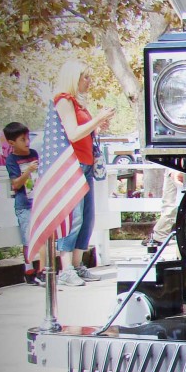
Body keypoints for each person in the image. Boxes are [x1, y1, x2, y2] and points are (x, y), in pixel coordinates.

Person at [51, 59, 115, 287]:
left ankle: (77, 265)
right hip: (73, 166)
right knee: (74, 217)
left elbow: (84, 132)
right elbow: (73, 133)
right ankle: (65, 268)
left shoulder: (78, 103)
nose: (89, 81)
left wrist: (97, 126)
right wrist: (97, 118)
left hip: (86, 164)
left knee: (87, 217)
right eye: (85, 77)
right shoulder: (63, 100)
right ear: (74, 78)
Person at [3, 121, 45, 285]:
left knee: (43, 237)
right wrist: (27, 171)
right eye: (22, 139)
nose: (27, 142)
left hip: (38, 201)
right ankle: (29, 270)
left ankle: (42, 270)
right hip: (24, 204)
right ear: (12, 142)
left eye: (28, 138)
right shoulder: (12, 160)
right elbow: (15, 184)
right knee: (28, 239)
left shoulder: (34, 153)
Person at [142, 169, 186, 250]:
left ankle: (160, 235)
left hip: (176, 166)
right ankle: (160, 234)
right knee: (169, 204)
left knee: (171, 204)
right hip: (173, 166)